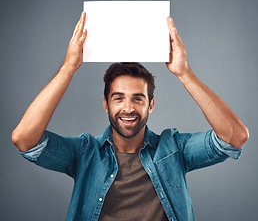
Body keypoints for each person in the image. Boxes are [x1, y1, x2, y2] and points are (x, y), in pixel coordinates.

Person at [12, 12, 249, 221]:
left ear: (151, 105)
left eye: (138, 98)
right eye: (118, 98)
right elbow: (24, 139)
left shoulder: (173, 148)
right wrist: (68, 68)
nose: (128, 108)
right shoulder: (85, 153)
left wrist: (184, 73)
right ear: (106, 104)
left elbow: (235, 136)